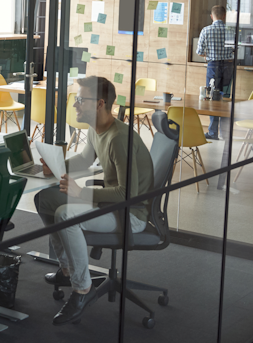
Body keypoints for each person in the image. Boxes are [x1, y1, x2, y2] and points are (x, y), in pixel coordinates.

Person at [34, 76, 154, 325]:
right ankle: (67, 270)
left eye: (80, 100)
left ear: (99, 103)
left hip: (129, 215)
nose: (75, 105)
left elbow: (127, 194)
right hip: (110, 205)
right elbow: (85, 160)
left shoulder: (119, 139)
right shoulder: (96, 128)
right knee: (45, 199)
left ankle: (82, 290)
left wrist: (81, 193)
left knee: (65, 215)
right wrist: (57, 169)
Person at [196, 5, 234, 141]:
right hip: (228, 66)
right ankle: (224, 132)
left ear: (212, 16)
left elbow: (199, 51)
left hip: (213, 66)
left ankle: (213, 132)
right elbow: (236, 49)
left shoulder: (206, 30)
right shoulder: (230, 30)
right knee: (225, 98)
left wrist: (207, 55)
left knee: (212, 97)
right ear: (224, 16)